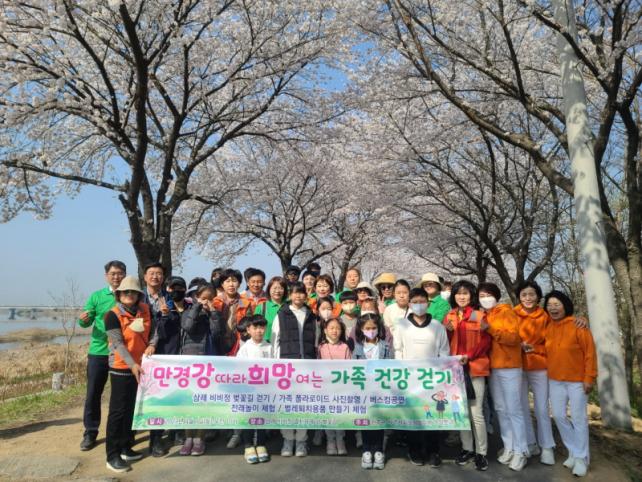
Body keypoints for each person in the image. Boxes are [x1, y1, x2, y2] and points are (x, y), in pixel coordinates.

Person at [394, 288, 450, 467]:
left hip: (432, 378)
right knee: (413, 415)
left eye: (422, 301)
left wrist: (440, 374)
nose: (419, 305)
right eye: (415, 301)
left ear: (428, 302)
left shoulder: (437, 326)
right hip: (410, 378)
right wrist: (402, 373)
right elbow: (398, 350)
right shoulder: (402, 325)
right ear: (409, 304)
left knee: (432, 415)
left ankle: (433, 451)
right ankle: (415, 449)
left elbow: (444, 351)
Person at [544, 291, 597, 478]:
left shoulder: (578, 325)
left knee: (578, 418)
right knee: (558, 416)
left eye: (557, 304)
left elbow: (590, 354)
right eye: (549, 305)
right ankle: (574, 451)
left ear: (565, 306)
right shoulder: (548, 327)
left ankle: (582, 458)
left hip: (577, 382)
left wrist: (589, 378)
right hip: (555, 380)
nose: (553, 308)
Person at [104, 276, 152, 473]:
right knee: (118, 411)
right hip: (122, 367)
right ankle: (112, 455)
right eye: (125, 292)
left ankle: (125, 447)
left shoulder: (145, 310)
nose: (129, 295)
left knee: (132, 409)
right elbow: (118, 344)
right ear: (119, 294)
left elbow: (153, 331)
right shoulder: (112, 315)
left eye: (133, 292)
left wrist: (152, 344)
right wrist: (132, 365)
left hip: (142, 367)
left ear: (139, 295)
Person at [477, 282, 527, 472]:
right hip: (494, 368)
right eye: (482, 296)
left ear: (496, 296)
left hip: (510, 367)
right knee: (500, 409)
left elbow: (514, 338)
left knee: (514, 410)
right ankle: (509, 447)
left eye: (489, 295)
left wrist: (490, 329)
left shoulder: (506, 312)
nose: (485, 299)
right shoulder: (485, 314)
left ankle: (521, 451)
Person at [78, 260, 126, 451]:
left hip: (122, 353)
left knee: (121, 395)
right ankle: (90, 432)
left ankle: (122, 431)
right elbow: (85, 321)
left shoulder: (130, 295)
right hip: (99, 352)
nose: (117, 277)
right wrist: (83, 320)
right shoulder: (97, 296)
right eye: (113, 273)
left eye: (120, 273)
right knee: (93, 393)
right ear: (106, 276)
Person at [180, 283, 234, 456]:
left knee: (204, 402)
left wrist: (213, 314)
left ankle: (199, 438)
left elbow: (217, 333)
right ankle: (188, 438)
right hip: (192, 362)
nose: (207, 302)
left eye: (210, 299)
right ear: (196, 297)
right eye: (203, 298)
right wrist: (197, 308)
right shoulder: (188, 312)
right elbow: (188, 327)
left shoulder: (215, 314)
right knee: (190, 402)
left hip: (211, 361)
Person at [444, 281, 492, 471]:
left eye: (465, 293)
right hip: (455, 370)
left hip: (475, 368)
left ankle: (481, 452)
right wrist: (447, 332)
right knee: (461, 412)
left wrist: (469, 356)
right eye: (458, 293)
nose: (461, 297)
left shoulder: (480, 316)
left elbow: (486, 341)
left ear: (471, 296)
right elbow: (445, 343)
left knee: (476, 412)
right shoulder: (449, 316)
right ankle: (467, 449)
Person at [271, 282, 319, 457]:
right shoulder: (281, 314)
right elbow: (275, 340)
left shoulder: (311, 315)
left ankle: (301, 441)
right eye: (295, 293)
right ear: (290, 295)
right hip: (286, 367)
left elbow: (316, 340)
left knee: (303, 405)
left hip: (306, 366)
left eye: (301, 293)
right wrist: (276, 364)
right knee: (287, 405)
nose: (298, 296)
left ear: (306, 295)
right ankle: (288, 439)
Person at [145, 276, 191, 456]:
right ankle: (155, 439)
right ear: (168, 290)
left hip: (185, 361)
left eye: (180, 287)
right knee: (161, 400)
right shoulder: (164, 308)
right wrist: (164, 315)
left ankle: (177, 431)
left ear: (185, 289)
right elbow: (160, 333)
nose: (176, 291)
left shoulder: (191, 307)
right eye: (172, 288)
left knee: (180, 397)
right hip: (166, 360)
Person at [514, 280, 556, 464]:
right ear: (519, 297)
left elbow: (553, 342)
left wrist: (535, 348)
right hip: (518, 366)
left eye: (532, 294)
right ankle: (530, 443)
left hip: (540, 366)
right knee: (522, 406)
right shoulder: (512, 314)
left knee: (541, 408)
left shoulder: (545, 316)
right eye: (524, 294)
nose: (528, 298)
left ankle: (547, 446)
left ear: (538, 296)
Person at [353, 312, 391, 470]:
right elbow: (353, 367)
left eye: (373, 328)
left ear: (379, 328)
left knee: (379, 420)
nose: (371, 331)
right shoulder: (358, 347)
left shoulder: (385, 345)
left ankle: (379, 451)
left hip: (380, 389)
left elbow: (390, 366)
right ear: (361, 329)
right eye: (367, 328)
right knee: (365, 420)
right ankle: (366, 450)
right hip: (363, 390)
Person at [236, 315, 272, 464]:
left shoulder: (269, 347)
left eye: (262, 327)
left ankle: (261, 444)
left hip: (264, 390)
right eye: (255, 327)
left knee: (262, 417)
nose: (259, 331)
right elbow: (239, 368)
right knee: (249, 418)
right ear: (248, 330)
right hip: (249, 390)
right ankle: (248, 446)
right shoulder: (245, 348)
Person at [317, 318, 352, 455]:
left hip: (341, 387)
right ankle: (330, 440)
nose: (334, 331)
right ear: (325, 330)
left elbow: (350, 367)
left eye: (337, 328)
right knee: (328, 413)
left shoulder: (345, 347)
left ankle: (340, 439)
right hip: (326, 387)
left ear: (341, 331)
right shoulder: (321, 347)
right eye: (331, 328)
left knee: (340, 413)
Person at [213, 269, 254, 357]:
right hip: (218, 342)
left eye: (234, 281)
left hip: (239, 343)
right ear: (222, 284)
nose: (231, 284)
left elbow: (248, 324)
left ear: (239, 284)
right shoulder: (215, 302)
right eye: (227, 281)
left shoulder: (245, 302)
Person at [254, 276, 288, 342]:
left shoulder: (290, 306)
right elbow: (254, 328)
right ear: (269, 289)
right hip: (266, 344)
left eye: (280, 288)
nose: (277, 291)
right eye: (274, 288)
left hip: (286, 344)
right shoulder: (261, 307)